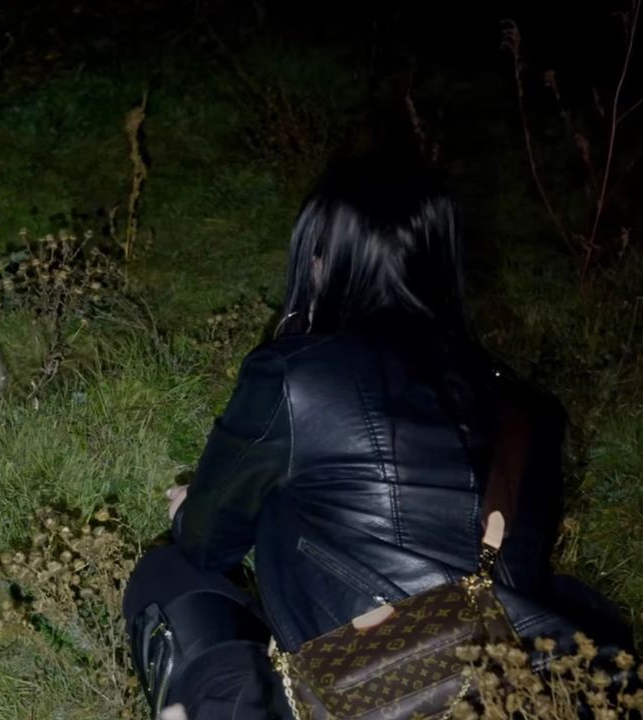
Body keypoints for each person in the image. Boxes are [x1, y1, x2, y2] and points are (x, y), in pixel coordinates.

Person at [123, 156, 634, 718]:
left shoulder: (297, 373)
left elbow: (207, 542)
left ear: (322, 262)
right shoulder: (528, 408)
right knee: (576, 601)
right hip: (519, 683)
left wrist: (190, 508)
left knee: (171, 574)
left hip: (383, 684)